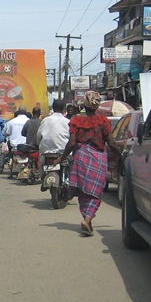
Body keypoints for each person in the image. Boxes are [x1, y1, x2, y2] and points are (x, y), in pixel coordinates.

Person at [50, 91, 121, 236]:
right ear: (97, 105)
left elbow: (71, 143)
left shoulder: (76, 120)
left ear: (83, 105)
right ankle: (88, 219)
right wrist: (121, 157)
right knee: (95, 190)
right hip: (98, 157)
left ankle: (86, 219)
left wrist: (62, 158)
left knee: (83, 190)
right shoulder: (103, 121)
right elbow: (112, 143)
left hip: (80, 156)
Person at [0, 107, 29, 173]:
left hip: (14, 145)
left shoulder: (11, 122)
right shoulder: (28, 121)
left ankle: (3, 166)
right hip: (26, 145)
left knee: (5, 152)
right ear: (25, 112)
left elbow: (7, 133)